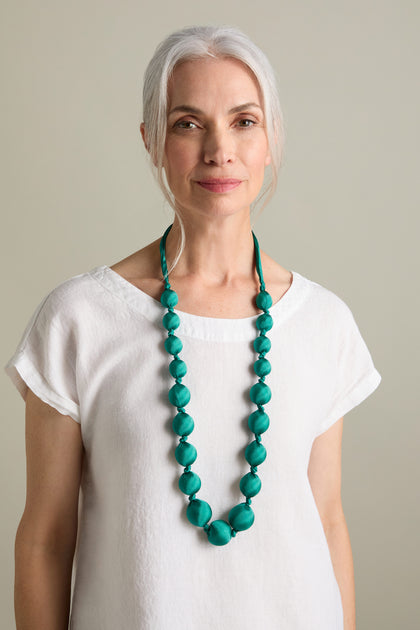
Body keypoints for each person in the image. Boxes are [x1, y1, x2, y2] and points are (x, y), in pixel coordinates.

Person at [5, 25, 381, 630]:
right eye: (187, 123)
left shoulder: (323, 323)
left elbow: (329, 523)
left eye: (244, 121)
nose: (218, 150)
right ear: (152, 140)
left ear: (271, 139)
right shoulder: (79, 318)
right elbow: (45, 540)